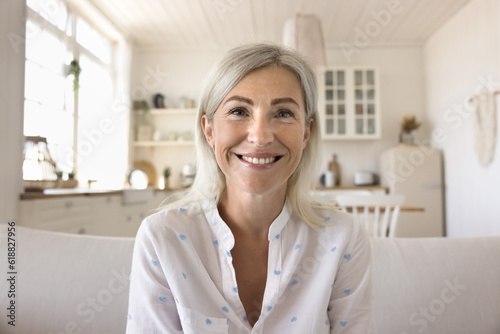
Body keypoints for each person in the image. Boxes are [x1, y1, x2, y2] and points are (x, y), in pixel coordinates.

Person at [126, 43, 376, 334]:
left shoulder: (343, 238)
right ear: (209, 130)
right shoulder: (162, 237)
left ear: (306, 132)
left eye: (283, 113)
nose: (260, 137)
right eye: (239, 111)